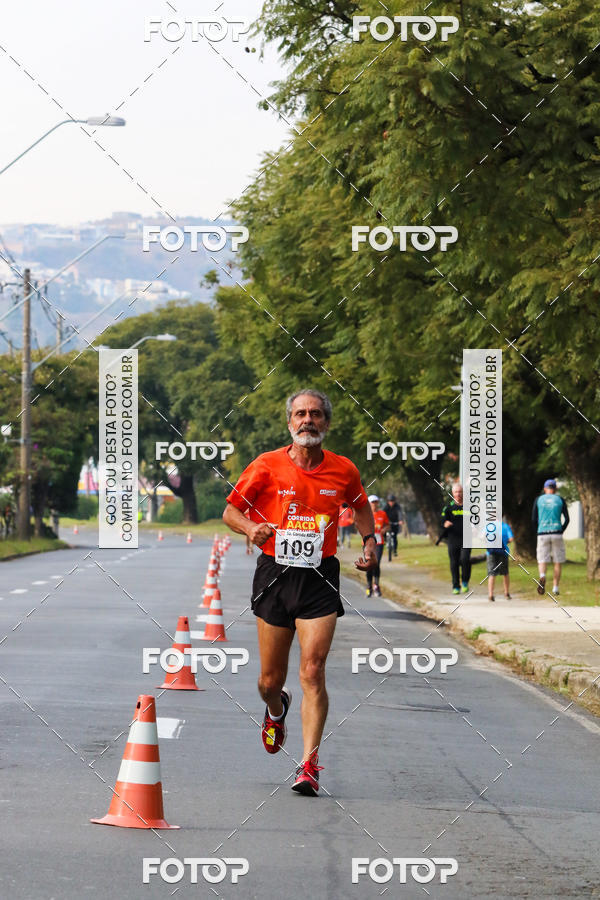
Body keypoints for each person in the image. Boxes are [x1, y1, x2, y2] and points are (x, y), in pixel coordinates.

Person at [223, 389, 377, 796]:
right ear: (290, 422)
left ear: (326, 422)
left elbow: (360, 506)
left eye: (315, 414)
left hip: (319, 576)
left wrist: (369, 542)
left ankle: (309, 764)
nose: (307, 420)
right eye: (300, 414)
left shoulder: (343, 470)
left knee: (313, 670)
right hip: (275, 574)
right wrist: (250, 528)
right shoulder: (266, 465)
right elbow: (231, 510)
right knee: (269, 680)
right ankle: (276, 710)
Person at [532, 478, 570, 595]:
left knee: (542, 559)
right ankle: (555, 588)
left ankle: (542, 576)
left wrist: (537, 531)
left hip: (542, 532)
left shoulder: (538, 500)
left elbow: (533, 519)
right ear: (555, 489)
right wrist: (561, 530)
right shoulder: (560, 500)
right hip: (556, 532)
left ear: (545, 489)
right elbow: (567, 519)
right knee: (557, 561)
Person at [439, 483, 471, 595]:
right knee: (454, 563)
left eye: (460, 491)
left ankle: (465, 581)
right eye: (456, 492)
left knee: (465, 559)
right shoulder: (448, 508)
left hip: (466, 539)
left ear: (463, 493)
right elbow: (442, 521)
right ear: (452, 493)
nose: (458, 494)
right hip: (453, 540)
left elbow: (476, 521)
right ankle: (456, 586)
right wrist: (445, 523)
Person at [366, 495, 389, 597]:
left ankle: (376, 585)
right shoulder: (365, 514)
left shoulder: (382, 514)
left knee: (377, 563)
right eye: (372, 502)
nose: (374, 504)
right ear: (369, 504)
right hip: (367, 543)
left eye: (376, 502)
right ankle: (369, 586)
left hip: (379, 542)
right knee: (369, 564)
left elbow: (388, 525)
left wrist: (384, 529)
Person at [487, 518, 514, 602]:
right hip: (503, 552)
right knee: (505, 573)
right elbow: (511, 539)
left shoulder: (489, 526)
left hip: (491, 552)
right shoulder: (505, 526)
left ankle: (491, 594)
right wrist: (505, 542)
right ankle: (506, 593)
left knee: (492, 573)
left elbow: (482, 537)